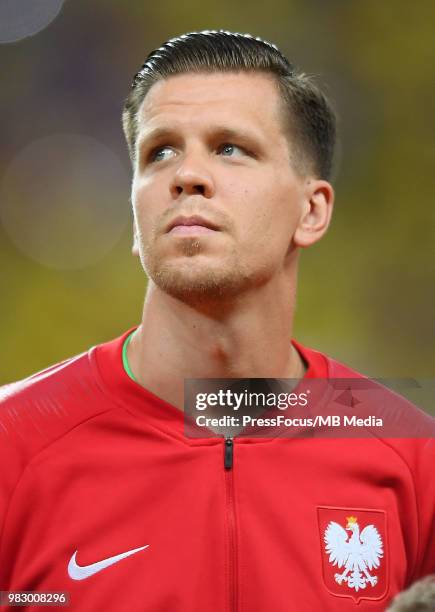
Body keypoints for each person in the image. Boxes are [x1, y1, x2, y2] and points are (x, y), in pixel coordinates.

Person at [0, 30, 433, 611]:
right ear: (136, 217)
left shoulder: (413, 458)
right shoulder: (14, 445)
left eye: (230, 148)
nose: (187, 175)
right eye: (160, 152)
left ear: (311, 210)